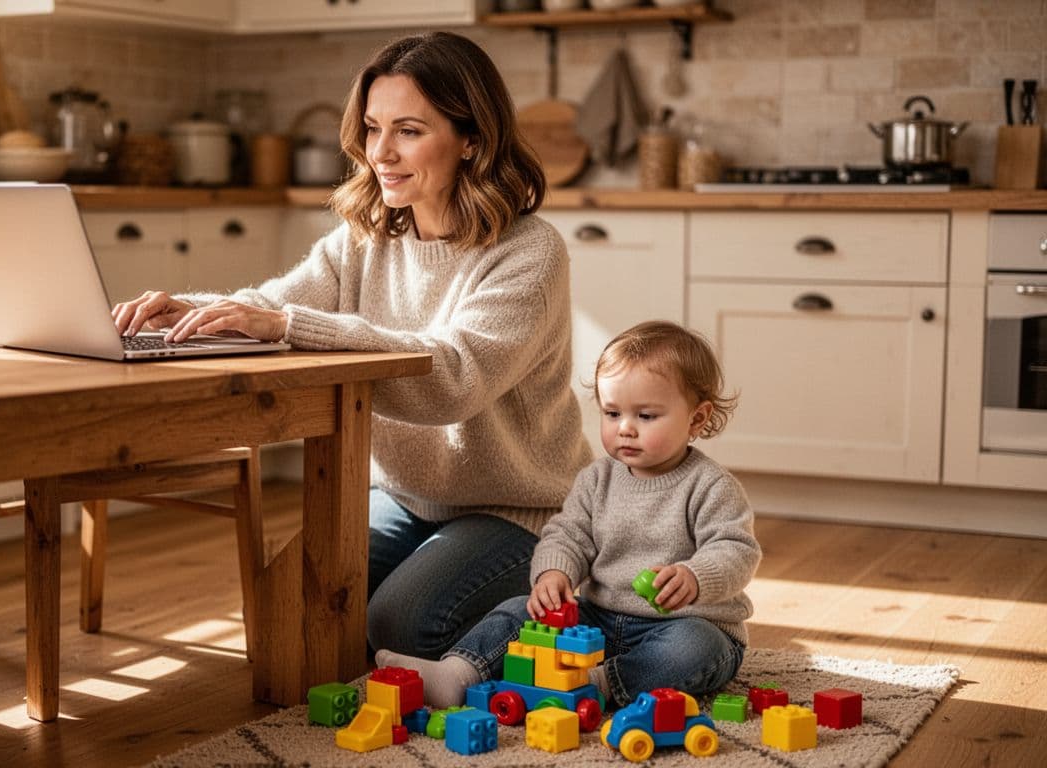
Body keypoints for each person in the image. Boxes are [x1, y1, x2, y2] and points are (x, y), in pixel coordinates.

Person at [111, 31, 592, 660]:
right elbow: (279, 300)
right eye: (372, 128)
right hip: (404, 496)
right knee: (293, 604)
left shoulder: (529, 252)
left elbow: (452, 379)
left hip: (520, 508)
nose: (381, 154)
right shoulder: (366, 237)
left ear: (472, 138)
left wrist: (286, 325)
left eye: (409, 131)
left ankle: (572, 600)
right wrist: (189, 309)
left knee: (401, 625)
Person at [376, 320, 762, 710]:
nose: (625, 429)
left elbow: (736, 550)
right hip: (600, 620)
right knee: (517, 609)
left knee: (696, 648)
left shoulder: (711, 485)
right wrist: (555, 573)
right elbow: (567, 534)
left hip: (684, 622)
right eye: (612, 413)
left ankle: (601, 682)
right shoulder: (597, 478)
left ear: (696, 419)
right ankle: (458, 673)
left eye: (645, 416)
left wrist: (696, 576)